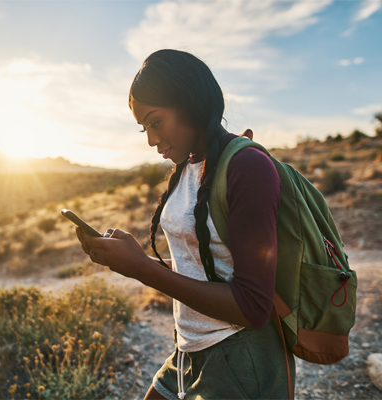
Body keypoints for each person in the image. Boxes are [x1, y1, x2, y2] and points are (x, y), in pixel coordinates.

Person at [76, 49, 295, 400]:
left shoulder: (247, 167)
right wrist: (125, 253)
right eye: (144, 127)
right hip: (189, 350)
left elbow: (253, 307)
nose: (150, 139)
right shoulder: (186, 168)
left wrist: (140, 268)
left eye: (156, 122)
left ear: (190, 102)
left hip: (240, 360)